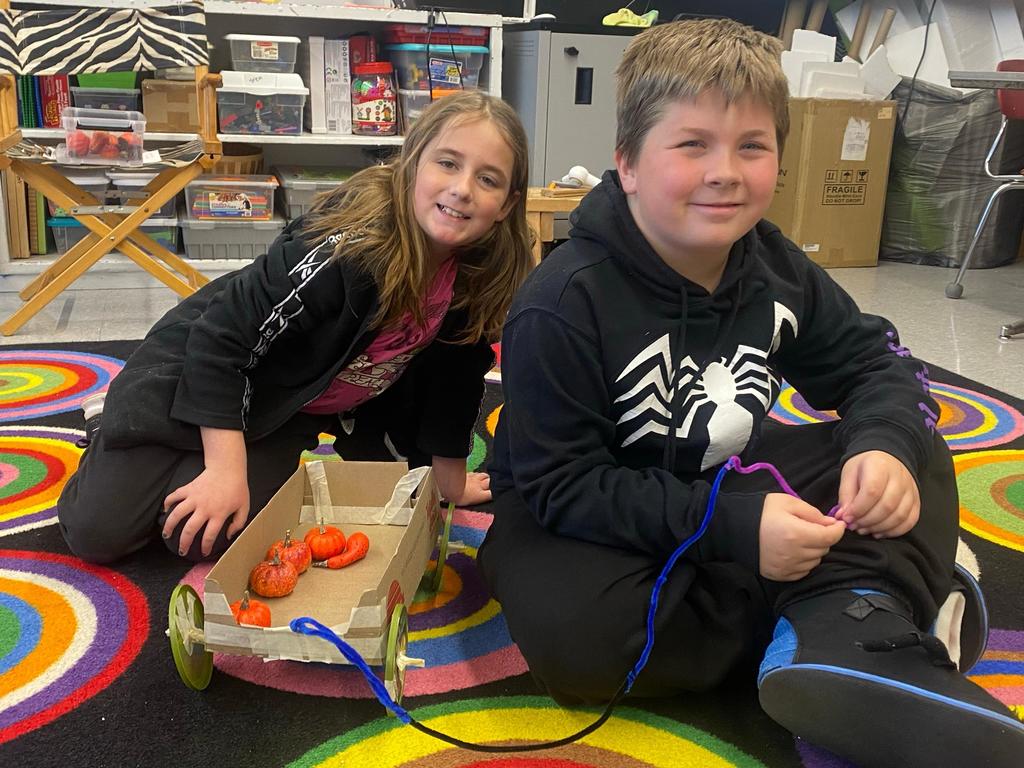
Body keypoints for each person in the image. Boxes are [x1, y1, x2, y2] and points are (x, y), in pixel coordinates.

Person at [477, 19, 1024, 767]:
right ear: (628, 163)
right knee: (580, 641)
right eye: (692, 144)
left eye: (752, 146)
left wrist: (882, 449)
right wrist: (736, 530)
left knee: (913, 443)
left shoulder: (776, 265)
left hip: (727, 475)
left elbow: (877, 362)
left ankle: (843, 625)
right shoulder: (560, 301)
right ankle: (858, 611)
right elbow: (562, 487)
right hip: (590, 515)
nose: (725, 171)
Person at [57, 90, 533, 564]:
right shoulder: (347, 248)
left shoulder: (481, 274)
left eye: (487, 179)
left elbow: (456, 381)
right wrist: (225, 470)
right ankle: (109, 427)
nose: (463, 188)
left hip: (286, 412)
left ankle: (193, 466)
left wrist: (448, 481)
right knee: (97, 533)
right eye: (447, 163)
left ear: (508, 204)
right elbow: (224, 339)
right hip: (195, 374)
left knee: (204, 538)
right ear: (412, 162)